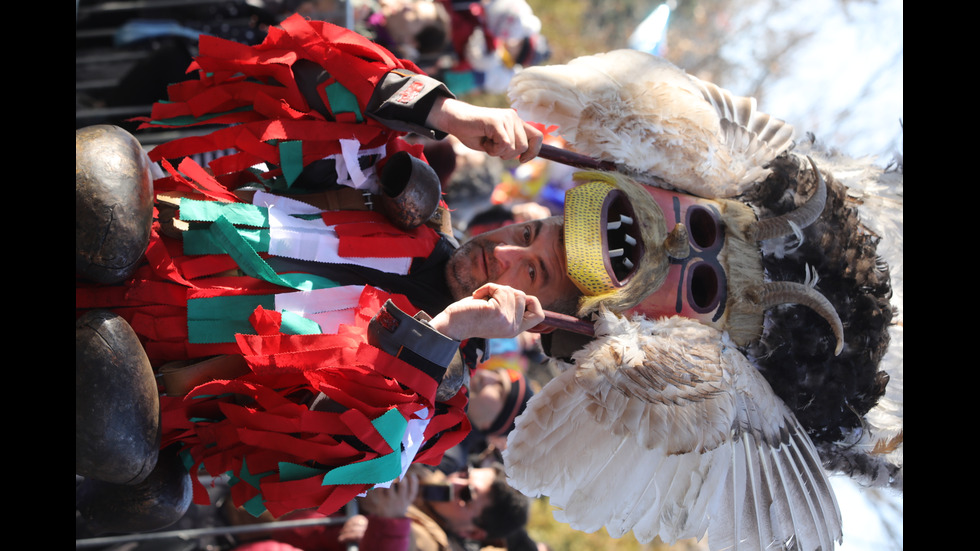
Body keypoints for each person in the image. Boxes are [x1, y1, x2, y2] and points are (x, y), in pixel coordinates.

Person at [75, 12, 576, 534]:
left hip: (117, 375)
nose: (506, 252)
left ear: (534, 320)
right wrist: (448, 112)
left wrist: (441, 336)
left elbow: (307, 464)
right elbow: (310, 63)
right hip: (111, 236)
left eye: (534, 272)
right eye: (525, 234)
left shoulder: (431, 408)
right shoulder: (402, 197)